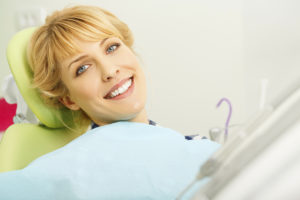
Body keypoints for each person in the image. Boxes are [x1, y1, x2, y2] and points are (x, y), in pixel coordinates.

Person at [28, 5, 149, 129]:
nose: (109, 71)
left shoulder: (163, 138)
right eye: (83, 68)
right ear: (69, 100)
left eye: (111, 48)